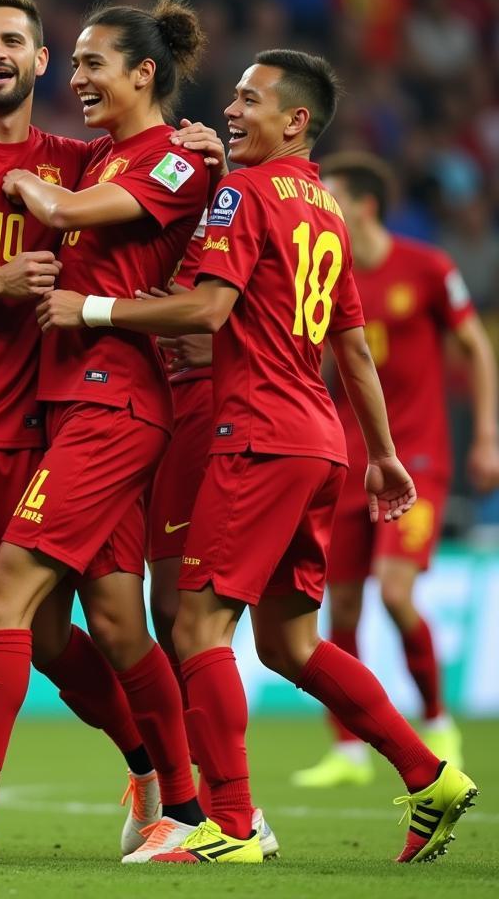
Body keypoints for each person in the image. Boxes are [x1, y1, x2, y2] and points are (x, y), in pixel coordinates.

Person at [34, 49, 478, 864]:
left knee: (196, 624)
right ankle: (429, 775)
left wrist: (90, 307)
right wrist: (380, 454)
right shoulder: (327, 213)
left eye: (249, 99)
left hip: (258, 436)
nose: (232, 110)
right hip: (319, 442)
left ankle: (232, 824)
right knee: (289, 644)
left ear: (296, 120)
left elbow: (206, 308)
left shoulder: (248, 191)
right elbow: (353, 349)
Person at [0, 0, 212, 862]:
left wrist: (28, 184)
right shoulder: (100, 154)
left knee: (2, 597)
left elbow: (63, 213)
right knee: (111, 620)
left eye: (92, 63)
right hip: (69, 408)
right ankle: (183, 806)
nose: (77, 79)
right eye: (78, 65)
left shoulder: (167, 157)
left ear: (145, 72)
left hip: (110, 403)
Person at [292, 152, 499, 788]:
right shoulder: (329, 278)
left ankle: (437, 721)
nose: (322, 209)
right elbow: (325, 368)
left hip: (420, 459)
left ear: (366, 206)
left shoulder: (428, 268)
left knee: (396, 591)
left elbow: (476, 347)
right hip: (350, 463)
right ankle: (347, 751)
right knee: (340, 609)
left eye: (332, 200)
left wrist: (487, 434)